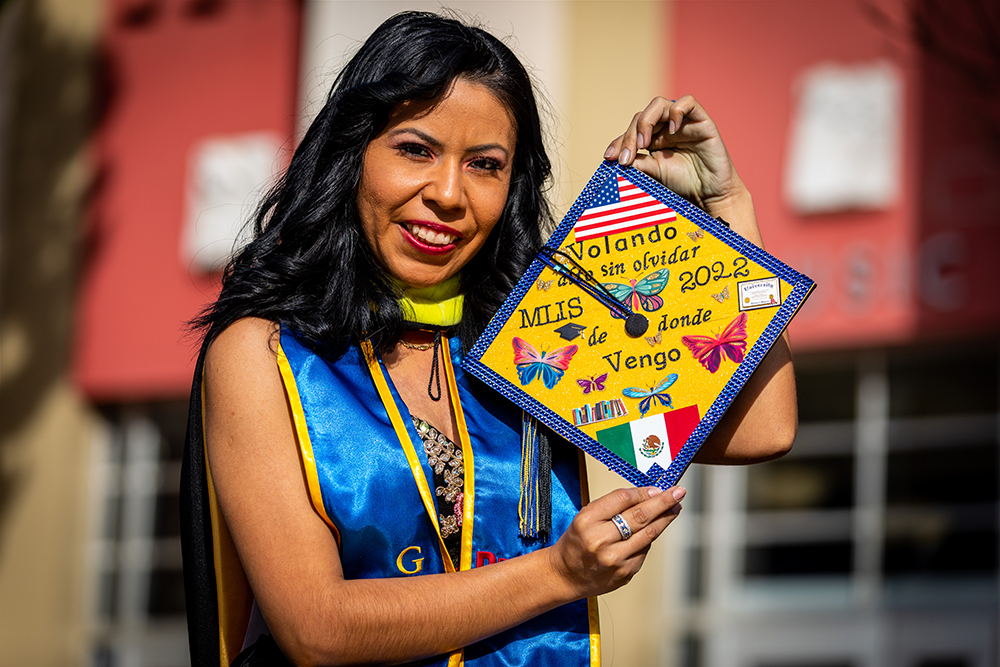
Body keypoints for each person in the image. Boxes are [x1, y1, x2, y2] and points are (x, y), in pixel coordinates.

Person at [180, 11, 797, 667]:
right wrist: (561, 573)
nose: (448, 193)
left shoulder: (536, 331)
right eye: (416, 150)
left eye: (484, 164)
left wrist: (725, 204)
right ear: (352, 155)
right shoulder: (266, 352)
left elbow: (764, 428)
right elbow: (318, 628)